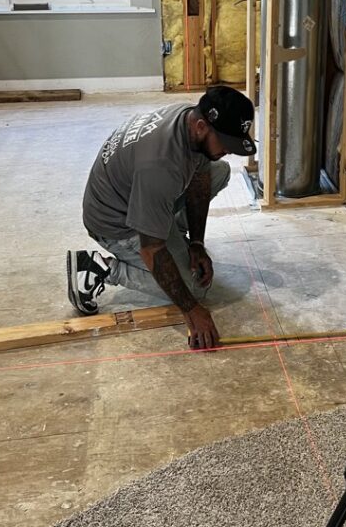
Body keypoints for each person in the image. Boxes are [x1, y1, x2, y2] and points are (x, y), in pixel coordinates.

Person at [66, 86, 255, 350]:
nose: (229, 150)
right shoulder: (160, 165)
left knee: (218, 170)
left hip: (136, 195)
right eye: (225, 142)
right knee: (195, 289)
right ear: (201, 127)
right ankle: (101, 268)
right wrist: (191, 310)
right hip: (115, 224)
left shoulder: (188, 120)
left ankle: (171, 233)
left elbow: (200, 178)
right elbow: (151, 249)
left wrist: (197, 244)